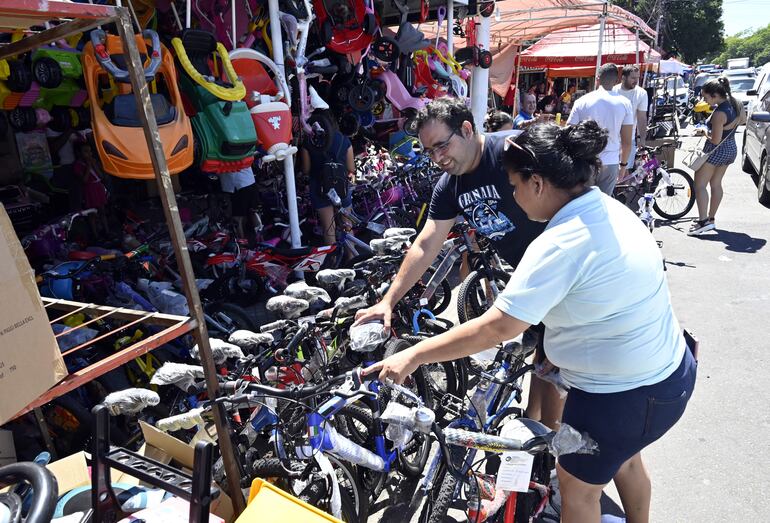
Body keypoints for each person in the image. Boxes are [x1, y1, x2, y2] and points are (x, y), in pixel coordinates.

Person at [365, 120, 696, 523]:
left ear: (537, 183)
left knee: (577, 493)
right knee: (624, 459)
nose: (513, 196)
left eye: (515, 187)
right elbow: (597, 301)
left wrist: (413, 355)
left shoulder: (560, 242)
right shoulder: (606, 207)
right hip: (665, 376)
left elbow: (497, 328)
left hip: (621, 396)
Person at [354, 98, 563, 426]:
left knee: (557, 373)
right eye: (429, 151)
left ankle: (553, 459)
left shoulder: (511, 151)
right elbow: (426, 243)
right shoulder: (450, 186)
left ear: (467, 129)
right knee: (544, 360)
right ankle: (535, 437)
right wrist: (388, 301)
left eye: (442, 146)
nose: (438, 158)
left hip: (565, 277)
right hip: (529, 280)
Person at [567, 63, 633, 195]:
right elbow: (627, 142)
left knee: (583, 204)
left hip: (585, 161)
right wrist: (623, 165)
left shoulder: (582, 101)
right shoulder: (625, 103)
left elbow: (569, 133)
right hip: (611, 162)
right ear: (616, 81)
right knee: (603, 205)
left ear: (597, 78)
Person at [689, 77, 743, 236]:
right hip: (730, 148)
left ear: (715, 95)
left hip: (717, 150)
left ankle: (703, 221)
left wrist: (704, 131)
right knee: (716, 184)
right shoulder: (735, 104)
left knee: (699, 185)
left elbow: (715, 140)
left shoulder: (719, 112)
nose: (705, 100)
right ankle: (710, 219)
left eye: (706, 97)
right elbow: (742, 121)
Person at [299, 112, 355, 245]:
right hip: (341, 187)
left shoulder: (309, 142)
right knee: (347, 225)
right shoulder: (344, 140)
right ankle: (351, 258)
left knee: (329, 228)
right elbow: (351, 168)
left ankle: (334, 261)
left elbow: (306, 170)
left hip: (319, 188)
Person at [613, 65, 649, 167]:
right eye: (633, 78)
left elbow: (642, 117)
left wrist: (642, 138)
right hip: (612, 138)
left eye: (638, 78)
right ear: (623, 77)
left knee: (626, 171)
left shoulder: (641, 93)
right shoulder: (613, 91)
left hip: (629, 138)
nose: (636, 81)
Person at [73, 140, 110, 236]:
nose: (89, 154)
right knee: (92, 213)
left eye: (90, 151)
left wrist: (94, 165)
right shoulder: (78, 165)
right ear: (79, 153)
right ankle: (96, 235)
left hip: (98, 187)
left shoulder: (94, 162)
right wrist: (89, 166)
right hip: (89, 189)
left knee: (102, 211)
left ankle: (107, 231)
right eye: (85, 152)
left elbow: (101, 176)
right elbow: (84, 180)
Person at [218, 164, 259, 238]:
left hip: (238, 185)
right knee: (253, 212)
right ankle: (261, 241)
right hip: (250, 181)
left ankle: (242, 246)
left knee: (237, 219)